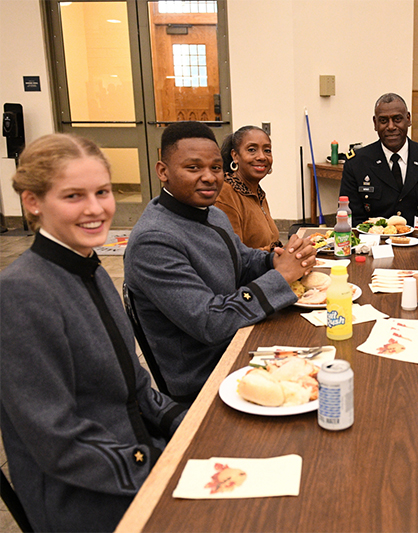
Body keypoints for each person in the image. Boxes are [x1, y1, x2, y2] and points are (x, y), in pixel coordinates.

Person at [0, 134, 186, 532]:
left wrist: (188, 425)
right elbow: (59, 443)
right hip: (87, 497)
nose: (95, 209)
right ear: (33, 202)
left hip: (135, 457)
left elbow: (136, 389)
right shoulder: (21, 292)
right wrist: (161, 465)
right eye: (73, 196)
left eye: (102, 191)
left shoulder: (91, 268)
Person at [124, 122, 316, 403]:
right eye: (193, 168)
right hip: (207, 375)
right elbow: (209, 323)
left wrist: (279, 259)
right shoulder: (154, 240)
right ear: (163, 171)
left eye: (215, 167)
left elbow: (242, 260)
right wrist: (280, 277)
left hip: (237, 340)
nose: (209, 177)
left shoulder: (210, 213)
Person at [339, 93, 418, 228]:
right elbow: (351, 219)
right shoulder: (357, 163)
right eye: (383, 121)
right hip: (375, 244)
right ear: (375, 123)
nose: (391, 127)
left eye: (397, 119)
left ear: (408, 119)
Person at [217, 125, 282, 250]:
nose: (262, 157)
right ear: (235, 156)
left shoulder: (257, 192)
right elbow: (234, 254)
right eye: (252, 150)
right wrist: (276, 254)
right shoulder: (226, 193)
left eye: (267, 150)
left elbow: (271, 242)